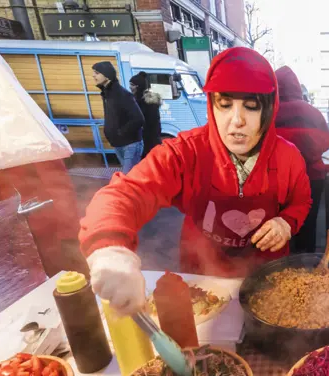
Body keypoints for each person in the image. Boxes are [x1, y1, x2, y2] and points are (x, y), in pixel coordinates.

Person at [80, 48, 312, 314]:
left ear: (269, 110)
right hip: (202, 274)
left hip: (266, 276)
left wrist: (287, 222)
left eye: (251, 106)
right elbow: (126, 193)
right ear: (212, 105)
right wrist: (109, 249)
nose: (236, 121)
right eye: (225, 105)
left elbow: (301, 200)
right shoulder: (185, 152)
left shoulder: (288, 156)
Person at [275, 66, 329, 253]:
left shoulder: (269, 111)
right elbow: (326, 142)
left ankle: (281, 269)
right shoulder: (312, 112)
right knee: (308, 224)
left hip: (278, 180)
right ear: (297, 88)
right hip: (312, 177)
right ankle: (307, 265)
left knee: (279, 227)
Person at [92, 61, 144, 174]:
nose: (93, 76)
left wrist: (121, 132)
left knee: (129, 179)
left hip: (130, 145)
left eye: (97, 73)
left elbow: (138, 119)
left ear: (107, 75)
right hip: (118, 144)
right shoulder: (107, 93)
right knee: (130, 179)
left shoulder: (122, 94)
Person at [129, 71, 162, 158]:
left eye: (132, 85)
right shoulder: (135, 100)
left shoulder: (150, 103)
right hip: (139, 141)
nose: (130, 87)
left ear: (138, 86)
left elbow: (152, 125)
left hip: (149, 142)